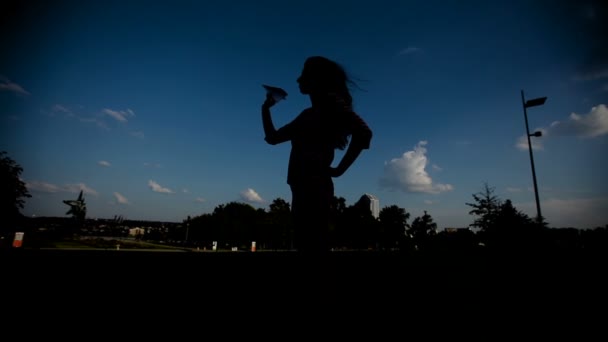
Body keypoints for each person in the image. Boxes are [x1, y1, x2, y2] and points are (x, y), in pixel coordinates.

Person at [261, 56, 372, 254]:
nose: (298, 80)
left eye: (304, 75)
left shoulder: (332, 107)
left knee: (314, 246)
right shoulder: (307, 115)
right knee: (308, 245)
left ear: (318, 80)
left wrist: (339, 170)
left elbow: (364, 133)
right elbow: (273, 138)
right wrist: (265, 109)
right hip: (300, 186)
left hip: (315, 187)